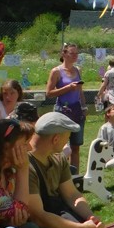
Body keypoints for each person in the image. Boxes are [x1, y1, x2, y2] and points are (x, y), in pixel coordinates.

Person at [45, 42, 86, 173]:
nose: (75, 56)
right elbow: (49, 93)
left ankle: (75, 176)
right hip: (62, 111)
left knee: (76, 146)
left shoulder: (78, 70)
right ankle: (59, 174)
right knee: (60, 146)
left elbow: (80, 91)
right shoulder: (56, 71)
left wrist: (84, 107)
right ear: (64, 54)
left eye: (77, 53)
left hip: (77, 111)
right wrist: (68, 88)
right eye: (72, 53)